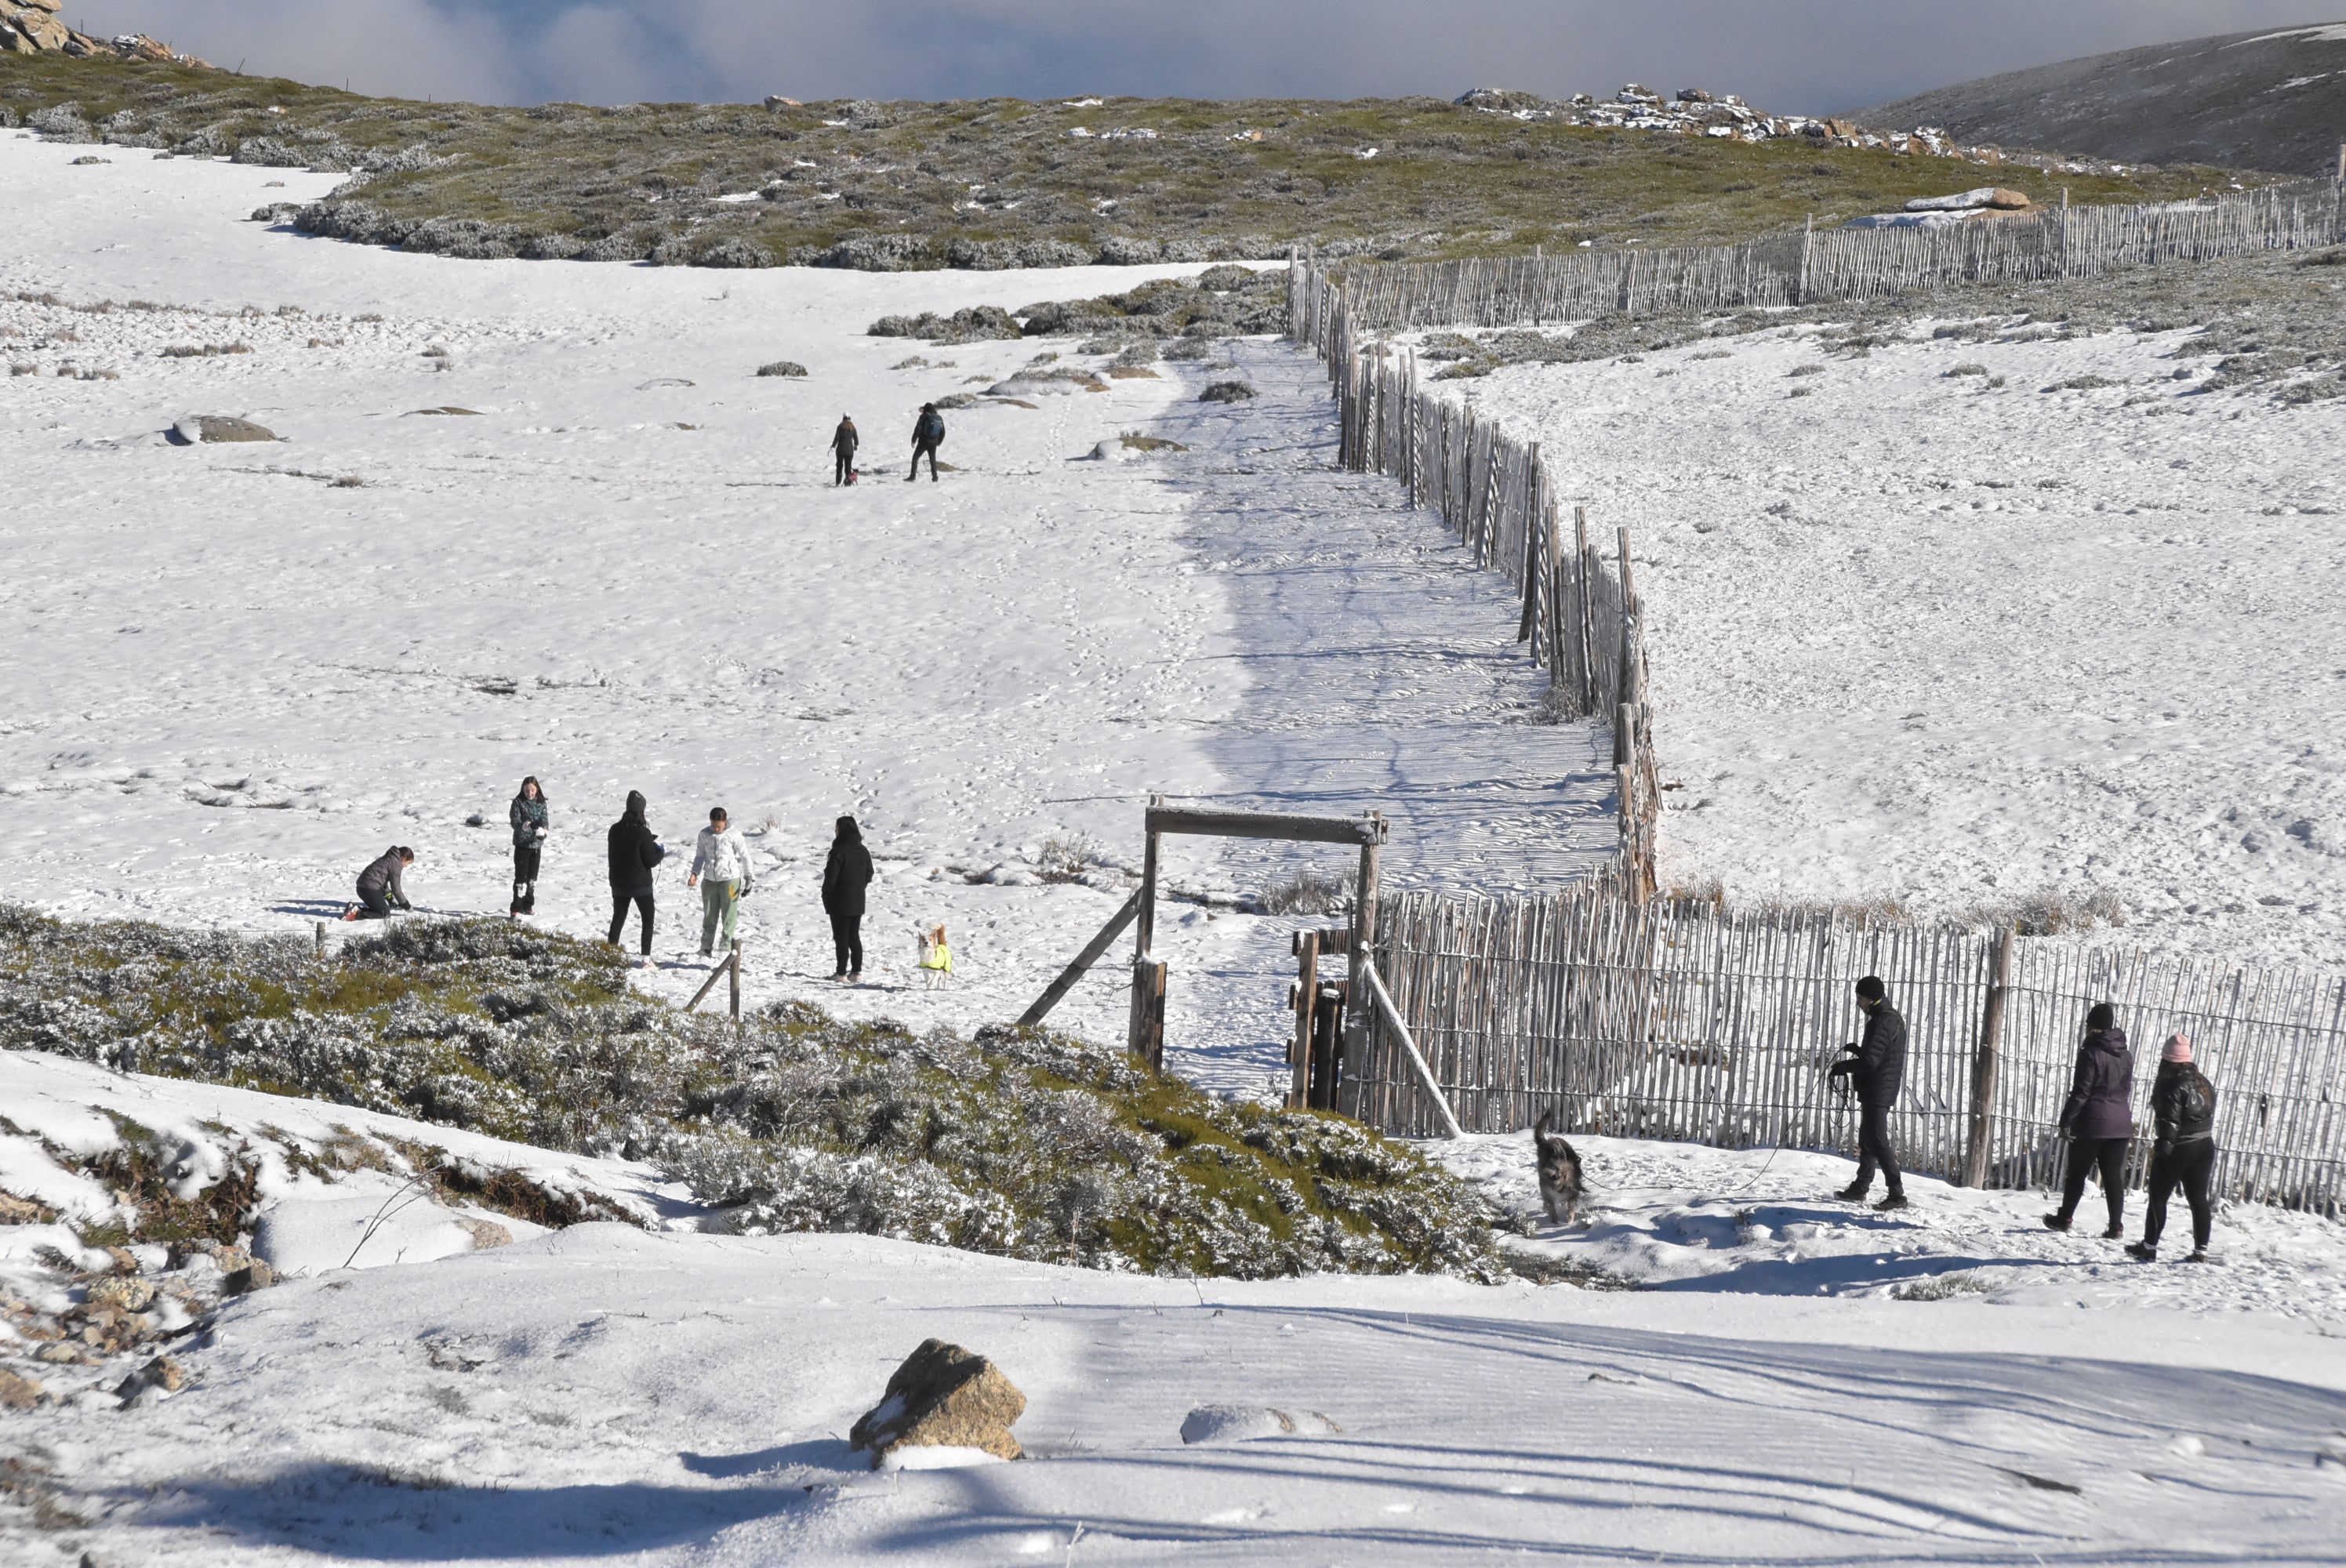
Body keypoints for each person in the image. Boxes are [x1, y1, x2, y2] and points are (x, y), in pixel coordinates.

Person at [2045, 1001, 2136, 1237]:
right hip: (2121, 1123)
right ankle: (2116, 1226)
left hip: (2092, 1122)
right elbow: (2124, 1088)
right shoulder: (2126, 1055)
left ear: (2091, 1026)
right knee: (2113, 1177)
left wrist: (2066, 1119)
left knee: (2077, 1173)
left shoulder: (2090, 1053)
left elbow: (2081, 1092)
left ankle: (2064, 1218)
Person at [2129, 1033, 2217, 1263]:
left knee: (2158, 1197)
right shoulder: (2203, 1082)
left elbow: (2169, 1122)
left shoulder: (2171, 1084)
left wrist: (2163, 1149)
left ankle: (2149, 1248)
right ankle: (2201, 1251)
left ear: (2167, 1060)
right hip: (2205, 1144)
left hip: (2181, 1145)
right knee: (2199, 1199)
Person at [1828, 975, 1908, 1210]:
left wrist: (1845, 1066)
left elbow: (1871, 1062)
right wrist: (1859, 1050)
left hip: (1878, 1089)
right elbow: (1876, 1053)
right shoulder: (1885, 1018)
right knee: (1867, 1139)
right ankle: (1860, 1187)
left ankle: (1897, 1193)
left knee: (1878, 1140)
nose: (1858, 1003)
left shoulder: (1882, 1021)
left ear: (1870, 998)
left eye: (1860, 998)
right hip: (1877, 1087)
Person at [605, 790, 665, 965]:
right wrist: (659, 852)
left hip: (619, 883)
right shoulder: (643, 833)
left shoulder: (614, 830)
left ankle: (610, 954)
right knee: (647, 918)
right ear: (641, 811)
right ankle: (646, 959)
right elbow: (651, 861)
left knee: (619, 917)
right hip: (640, 884)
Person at [688, 806, 754, 959]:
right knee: (709, 915)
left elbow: (745, 856)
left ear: (725, 822)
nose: (716, 829)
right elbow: (699, 856)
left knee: (729, 913)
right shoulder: (704, 834)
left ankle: (726, 946)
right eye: (714, 825)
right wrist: (694, 874)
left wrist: (749, 876)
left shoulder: (734, 835)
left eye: (719, 826)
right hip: (710, 880)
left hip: (730, 880)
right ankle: (706, 947)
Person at [821, 815, 874, 981]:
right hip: (857, 900)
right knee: (854, 936)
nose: (835, 831)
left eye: (836, 828)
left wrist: (827, 895)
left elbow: (831, 877)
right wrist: (859, 886)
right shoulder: (862, 850)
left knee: (841, 938)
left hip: (839, 901)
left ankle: (841, 972)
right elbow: (869, 872)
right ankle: (856, 971)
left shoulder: (837, 851)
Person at [509, 775, 547, 918]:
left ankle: (528, 904)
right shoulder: (518, 803)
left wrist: (542, 831)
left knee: (532, 878)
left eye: (532, 790)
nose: (529, 793)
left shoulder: (541, 803)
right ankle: (516, 908)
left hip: (536, 846)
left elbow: (545, 821)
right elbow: (515, 822)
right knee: (521, 878)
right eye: (527, 791)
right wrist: (527, 826)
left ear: (537, 790)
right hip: (522, 846)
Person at [344, 846, 414, 920]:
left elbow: (382, 880)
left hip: (363, 888)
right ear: (404, 858)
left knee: (381, 910)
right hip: (369, 889)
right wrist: (406, 905)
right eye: (408, 863)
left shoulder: (390, 858)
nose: (407, 866)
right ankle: (355, 915)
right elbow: (396, 888)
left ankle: (353, 909)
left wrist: (389, 897)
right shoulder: (396, 864)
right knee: (385, 914)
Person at [906, 402, 944, 482]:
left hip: (923, 442)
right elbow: (943, 432)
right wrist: (939, 442)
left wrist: (913, 440)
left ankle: (912, 476)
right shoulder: (938, 418)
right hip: (934, 442)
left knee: (915, 458)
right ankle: (935, 477)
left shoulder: (923, 417)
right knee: (932, 460)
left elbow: (918, 429)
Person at [917, 921, 953, 989]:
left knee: (945, 972)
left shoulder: (941, 952)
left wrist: (931, 984)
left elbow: (937, 973)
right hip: (925, 958)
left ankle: (945, 985)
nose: (926, 941)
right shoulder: (922, 957)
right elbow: (924, 971)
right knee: (925, 971)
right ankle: (928, 986)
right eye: (924, 940)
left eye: (929, 940)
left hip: (941, 956)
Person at [831, 415, 859, 486]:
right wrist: (855, 446)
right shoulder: (852, 427)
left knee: (839, 467)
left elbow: (836, 439)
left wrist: (833, 447)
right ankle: (848, 483)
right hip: (849, 451)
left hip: (840, 450)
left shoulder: (840, 426)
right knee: (848, 467)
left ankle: (838, 483)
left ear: (843, 418)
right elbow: (856, 440)